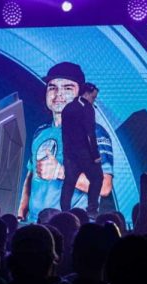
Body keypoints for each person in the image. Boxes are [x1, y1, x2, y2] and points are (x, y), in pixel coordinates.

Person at [17, 62, 114, 223]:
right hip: (36, 224)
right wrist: (21, 213)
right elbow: (31, 175)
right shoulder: (41, 132)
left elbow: (105, 187)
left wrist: (60, 172)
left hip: (72, 227)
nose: (58, 94)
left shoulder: (94, 132)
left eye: (68, 88)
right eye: (52, 87)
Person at [61, 82, 103, 215]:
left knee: (69, 182)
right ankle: (92, 210)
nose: (93, 100)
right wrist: (95, 155)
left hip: (69, 153)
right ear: (87, 93)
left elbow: (64, 133)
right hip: (84, 153)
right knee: (97, 178)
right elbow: (90, 134)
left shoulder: (68, 107)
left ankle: (65, 212)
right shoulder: (87, 108)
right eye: (93, 97)